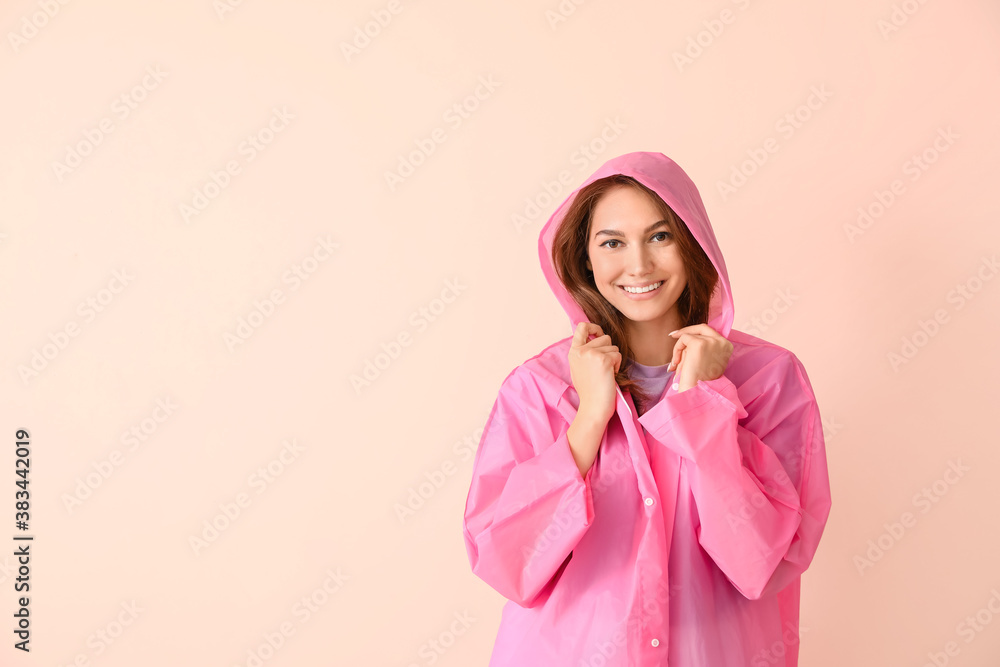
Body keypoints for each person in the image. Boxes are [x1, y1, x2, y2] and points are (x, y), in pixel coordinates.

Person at [462, 151, 832, 666]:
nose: (638, 265)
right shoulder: (539, 389)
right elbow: (508, 565)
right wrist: (589, 419)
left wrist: (701, 403)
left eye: (660, 237)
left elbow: (767, 563)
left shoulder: (769, 380)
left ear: (693, 244)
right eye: (612, 243)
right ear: (586, 259)